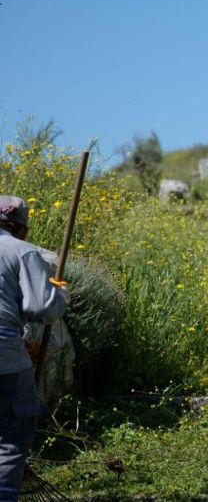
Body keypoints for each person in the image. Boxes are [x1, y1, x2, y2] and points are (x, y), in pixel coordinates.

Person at [0, 195, 68, 501]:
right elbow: (44, 307)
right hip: (4, 353)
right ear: (21, 229)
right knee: (11, 438)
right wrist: (59, 294)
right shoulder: (22, 251)